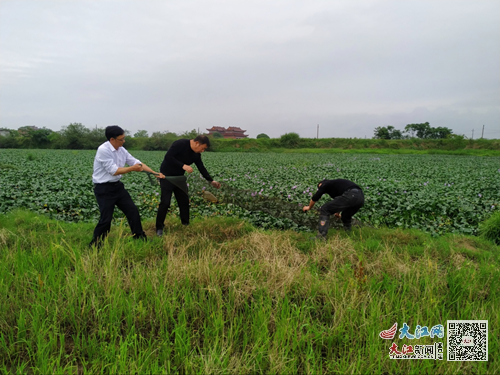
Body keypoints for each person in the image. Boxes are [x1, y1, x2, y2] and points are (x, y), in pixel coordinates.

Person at [89, 125, 165, 247]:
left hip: (117, 187)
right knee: (106, 219)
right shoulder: (103, 150)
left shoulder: (121, 149)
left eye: (124, 138)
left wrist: (155, 173)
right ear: (112, 139)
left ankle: (139, 237)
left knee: (132, 211)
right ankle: (96, 244)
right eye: (121, 139)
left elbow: (137, 163)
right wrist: (132, 169)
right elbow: (114, 171)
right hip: (103, 189)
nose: (124, 141)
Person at [155, 135, 221, 236]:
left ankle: (185, 224)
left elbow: (201, 167)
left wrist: (211, 181)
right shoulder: (180, 144)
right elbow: (168, 157)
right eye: (203, 148)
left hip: (180, 178)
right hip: (166, 176)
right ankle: (159, 227)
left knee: (184, 201)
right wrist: (183, 165)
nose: (203, 151)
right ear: (197, 143)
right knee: (165, 202)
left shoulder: (196, 154)